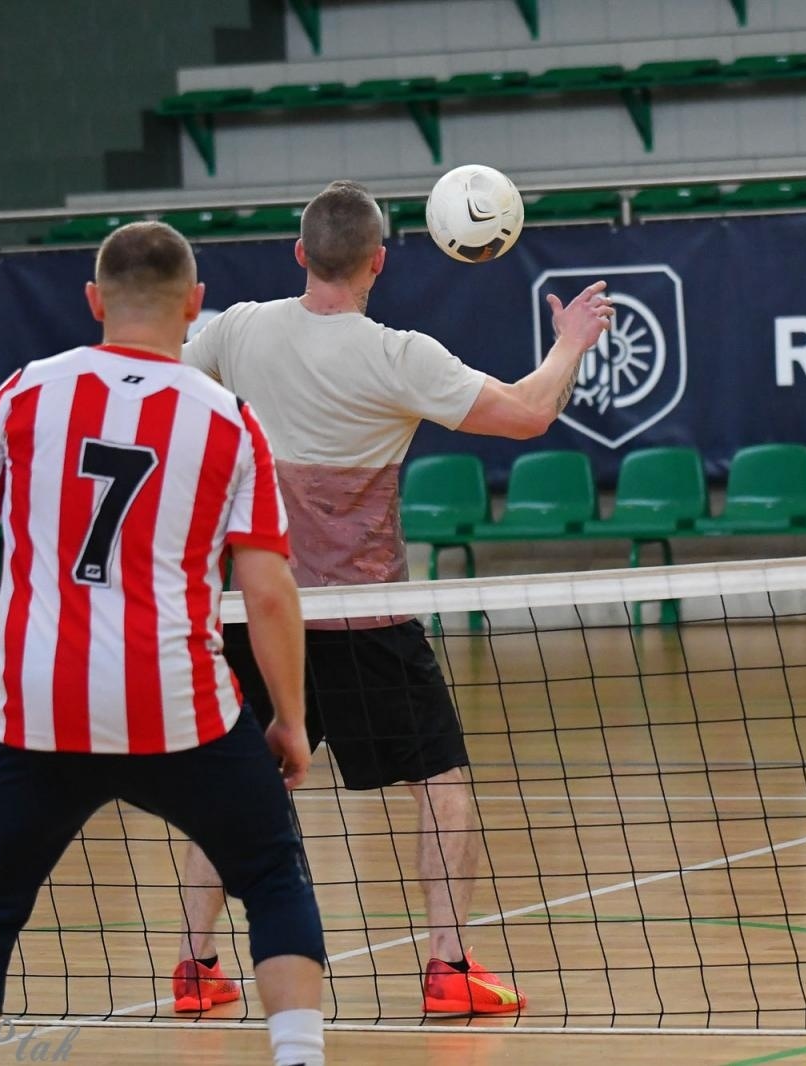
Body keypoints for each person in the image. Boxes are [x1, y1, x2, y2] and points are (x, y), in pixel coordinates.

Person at [173, 180, 613, 1016]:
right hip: (362, 619)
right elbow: (526, 414)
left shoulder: (235, 329)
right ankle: (448, 970)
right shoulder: (399, 355)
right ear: (378, 261)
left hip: (257, 613)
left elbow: (160, 380)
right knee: (441, 785)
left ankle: (196, 969)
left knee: (233, 788)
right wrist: (572, 342)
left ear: (300, 253)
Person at [0, 222, 327, 1066]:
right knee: (274, 877)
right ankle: (298, 1056)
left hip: (37, 712)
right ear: (196, 304)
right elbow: (269, 591)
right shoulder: (228, 418)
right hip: (180, 711)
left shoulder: (26, 391)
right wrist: (287, 716)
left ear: (95, 302)